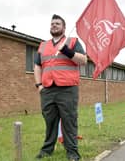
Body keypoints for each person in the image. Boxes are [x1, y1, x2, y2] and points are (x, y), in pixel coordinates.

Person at [34, 14, 87, 161]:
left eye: (57, 23)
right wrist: (39, 86)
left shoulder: (72, 41)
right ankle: (47, 150)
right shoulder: (43, 45)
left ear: (64, 27)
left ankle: (72, 152)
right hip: (48, 90)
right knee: (50, 121)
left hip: (67, 90)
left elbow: (83, 60)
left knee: (69, 121)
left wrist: (67, 51)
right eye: (52, 24)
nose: (54, 25)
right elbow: (37, 66)